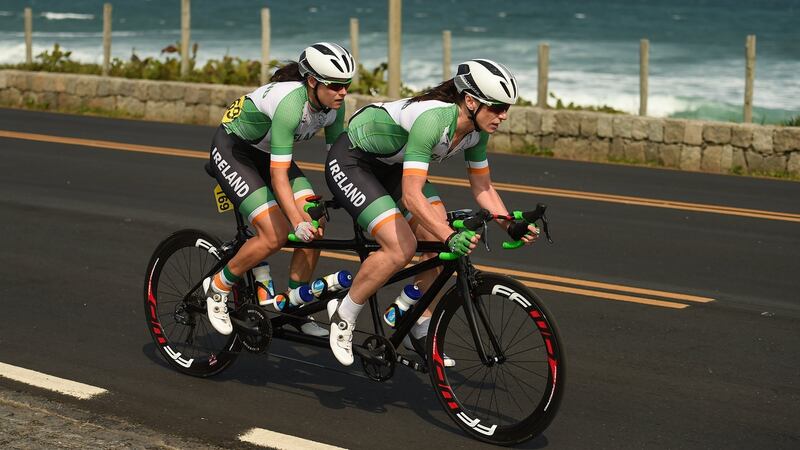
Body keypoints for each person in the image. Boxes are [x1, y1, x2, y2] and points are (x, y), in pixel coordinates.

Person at [323, 59, 541, 366]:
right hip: (354, 161)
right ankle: (343, 315)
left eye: (507, 108)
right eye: (496, 107)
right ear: (470, 101)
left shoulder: (477, 132)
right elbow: (412, 196)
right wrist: (450, 234)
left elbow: (483, 188)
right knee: (401, 246)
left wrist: (510, 226)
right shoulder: (433, 120)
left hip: (394, 166)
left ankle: (419, 324)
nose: (503, 116)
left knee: (438, 245)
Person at [205, 42, 355, 337]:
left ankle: (295, 306)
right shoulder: (291, 105)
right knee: (274, 233)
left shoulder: (335, 106)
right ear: (312, 81)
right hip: (234, 151)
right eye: (336, 85)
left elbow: (336, 159)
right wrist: (294, 221)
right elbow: (278, 176)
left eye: (347, 85)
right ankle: (218, 287)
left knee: (316, 219)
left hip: (265, 153)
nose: (343, 92)